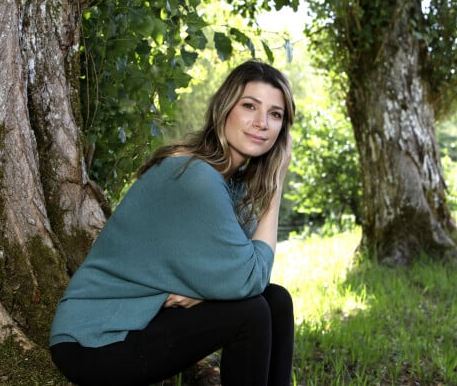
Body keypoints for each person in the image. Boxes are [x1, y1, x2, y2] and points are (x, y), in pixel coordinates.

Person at [49, 60, 296, 386]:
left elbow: (239, 274)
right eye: (249, 106)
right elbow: (248, 277)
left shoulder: (228, 183)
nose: (261, 122)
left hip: (140, 321)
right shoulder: (196, 177)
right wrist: (277, 186)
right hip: (93, 341)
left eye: (275, 114)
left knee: (275, 300)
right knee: (250, 313)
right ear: (224, 110)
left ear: (282, 129)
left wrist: (207, 293)